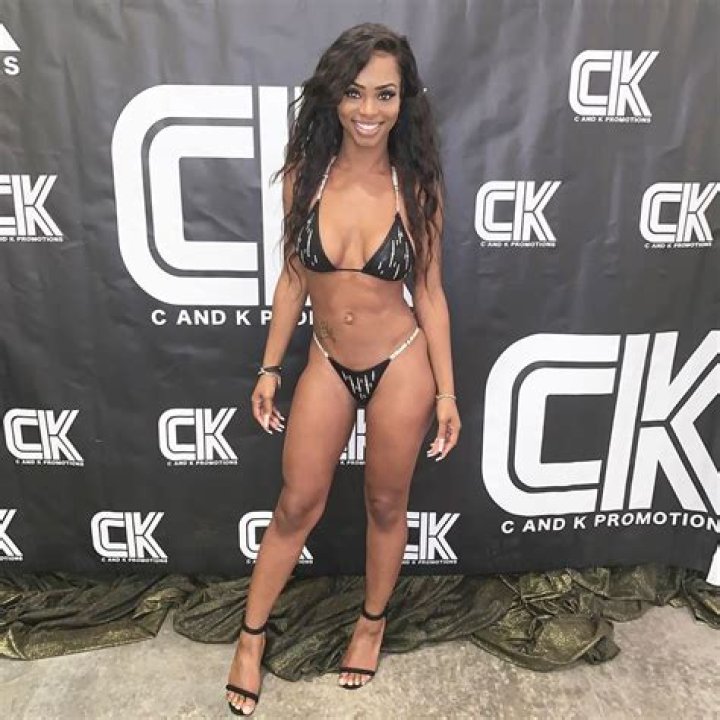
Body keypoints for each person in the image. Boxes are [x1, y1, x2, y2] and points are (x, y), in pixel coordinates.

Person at [225, 22, 461, 716]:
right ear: (333, 95)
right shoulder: (307, 175)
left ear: (403, 101)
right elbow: (293, 280)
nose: (368, 109)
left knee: (386, 504)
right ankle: (249, 637)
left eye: (385, 94)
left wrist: (448, 393)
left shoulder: (418, 187)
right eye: (355, 92)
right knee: (297, 503)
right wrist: (270, 367)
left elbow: (430, 294)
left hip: (401, 362)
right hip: (327, 360)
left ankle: (371, 623)